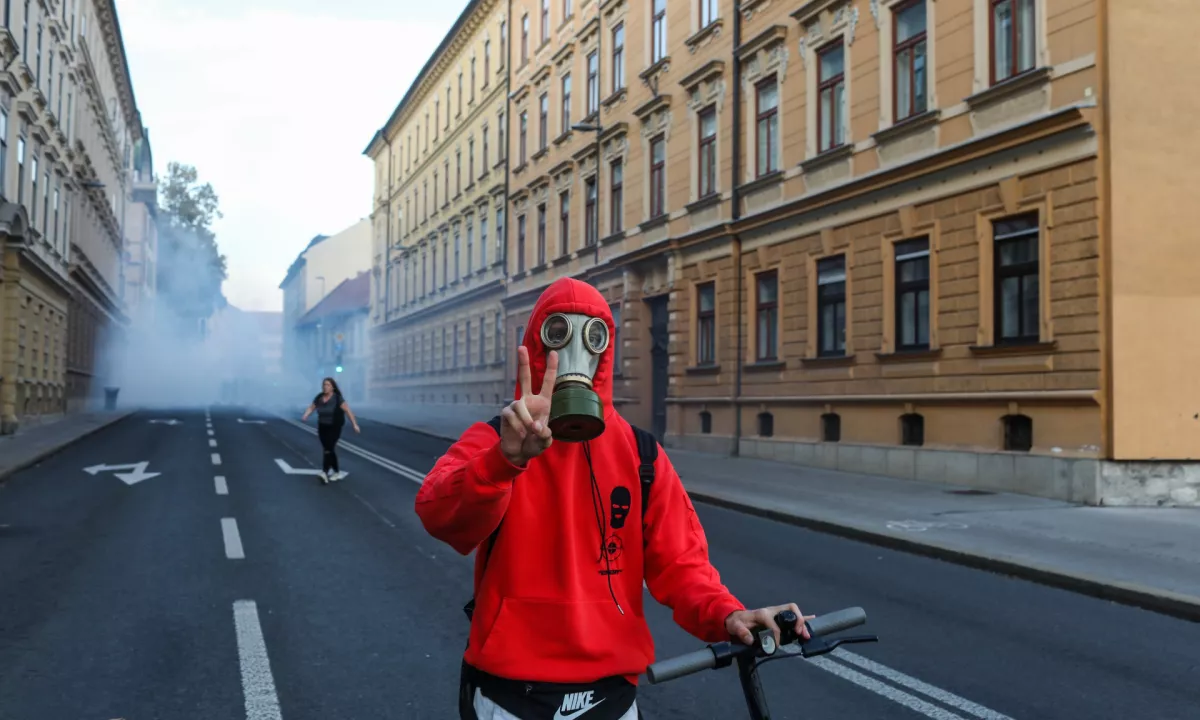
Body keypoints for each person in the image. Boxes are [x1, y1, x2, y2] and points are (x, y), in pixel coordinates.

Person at [415, 277, 812, 720]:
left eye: (592, 336)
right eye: (558, 333)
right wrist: (503, 461)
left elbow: (681, 564)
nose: (574, 356)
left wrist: (728, 614)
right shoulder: (496, 440)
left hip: (611, 696)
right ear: (538, 344)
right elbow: (437, 513)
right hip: (511, 695)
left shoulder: (641, 455)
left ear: (605, 349)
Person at [301, 377, 360, 484]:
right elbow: (311, 407)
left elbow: (348, 411)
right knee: (328, 449)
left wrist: (354, 424)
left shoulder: (337, 399)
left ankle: (324, 472)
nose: (325, 386)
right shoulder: (319, 397)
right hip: (322, 426)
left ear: (332, 387)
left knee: (329, 447)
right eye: (324, 384)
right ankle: (336, 471)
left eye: (327, 385)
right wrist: (306, 414)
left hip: (335, 426)